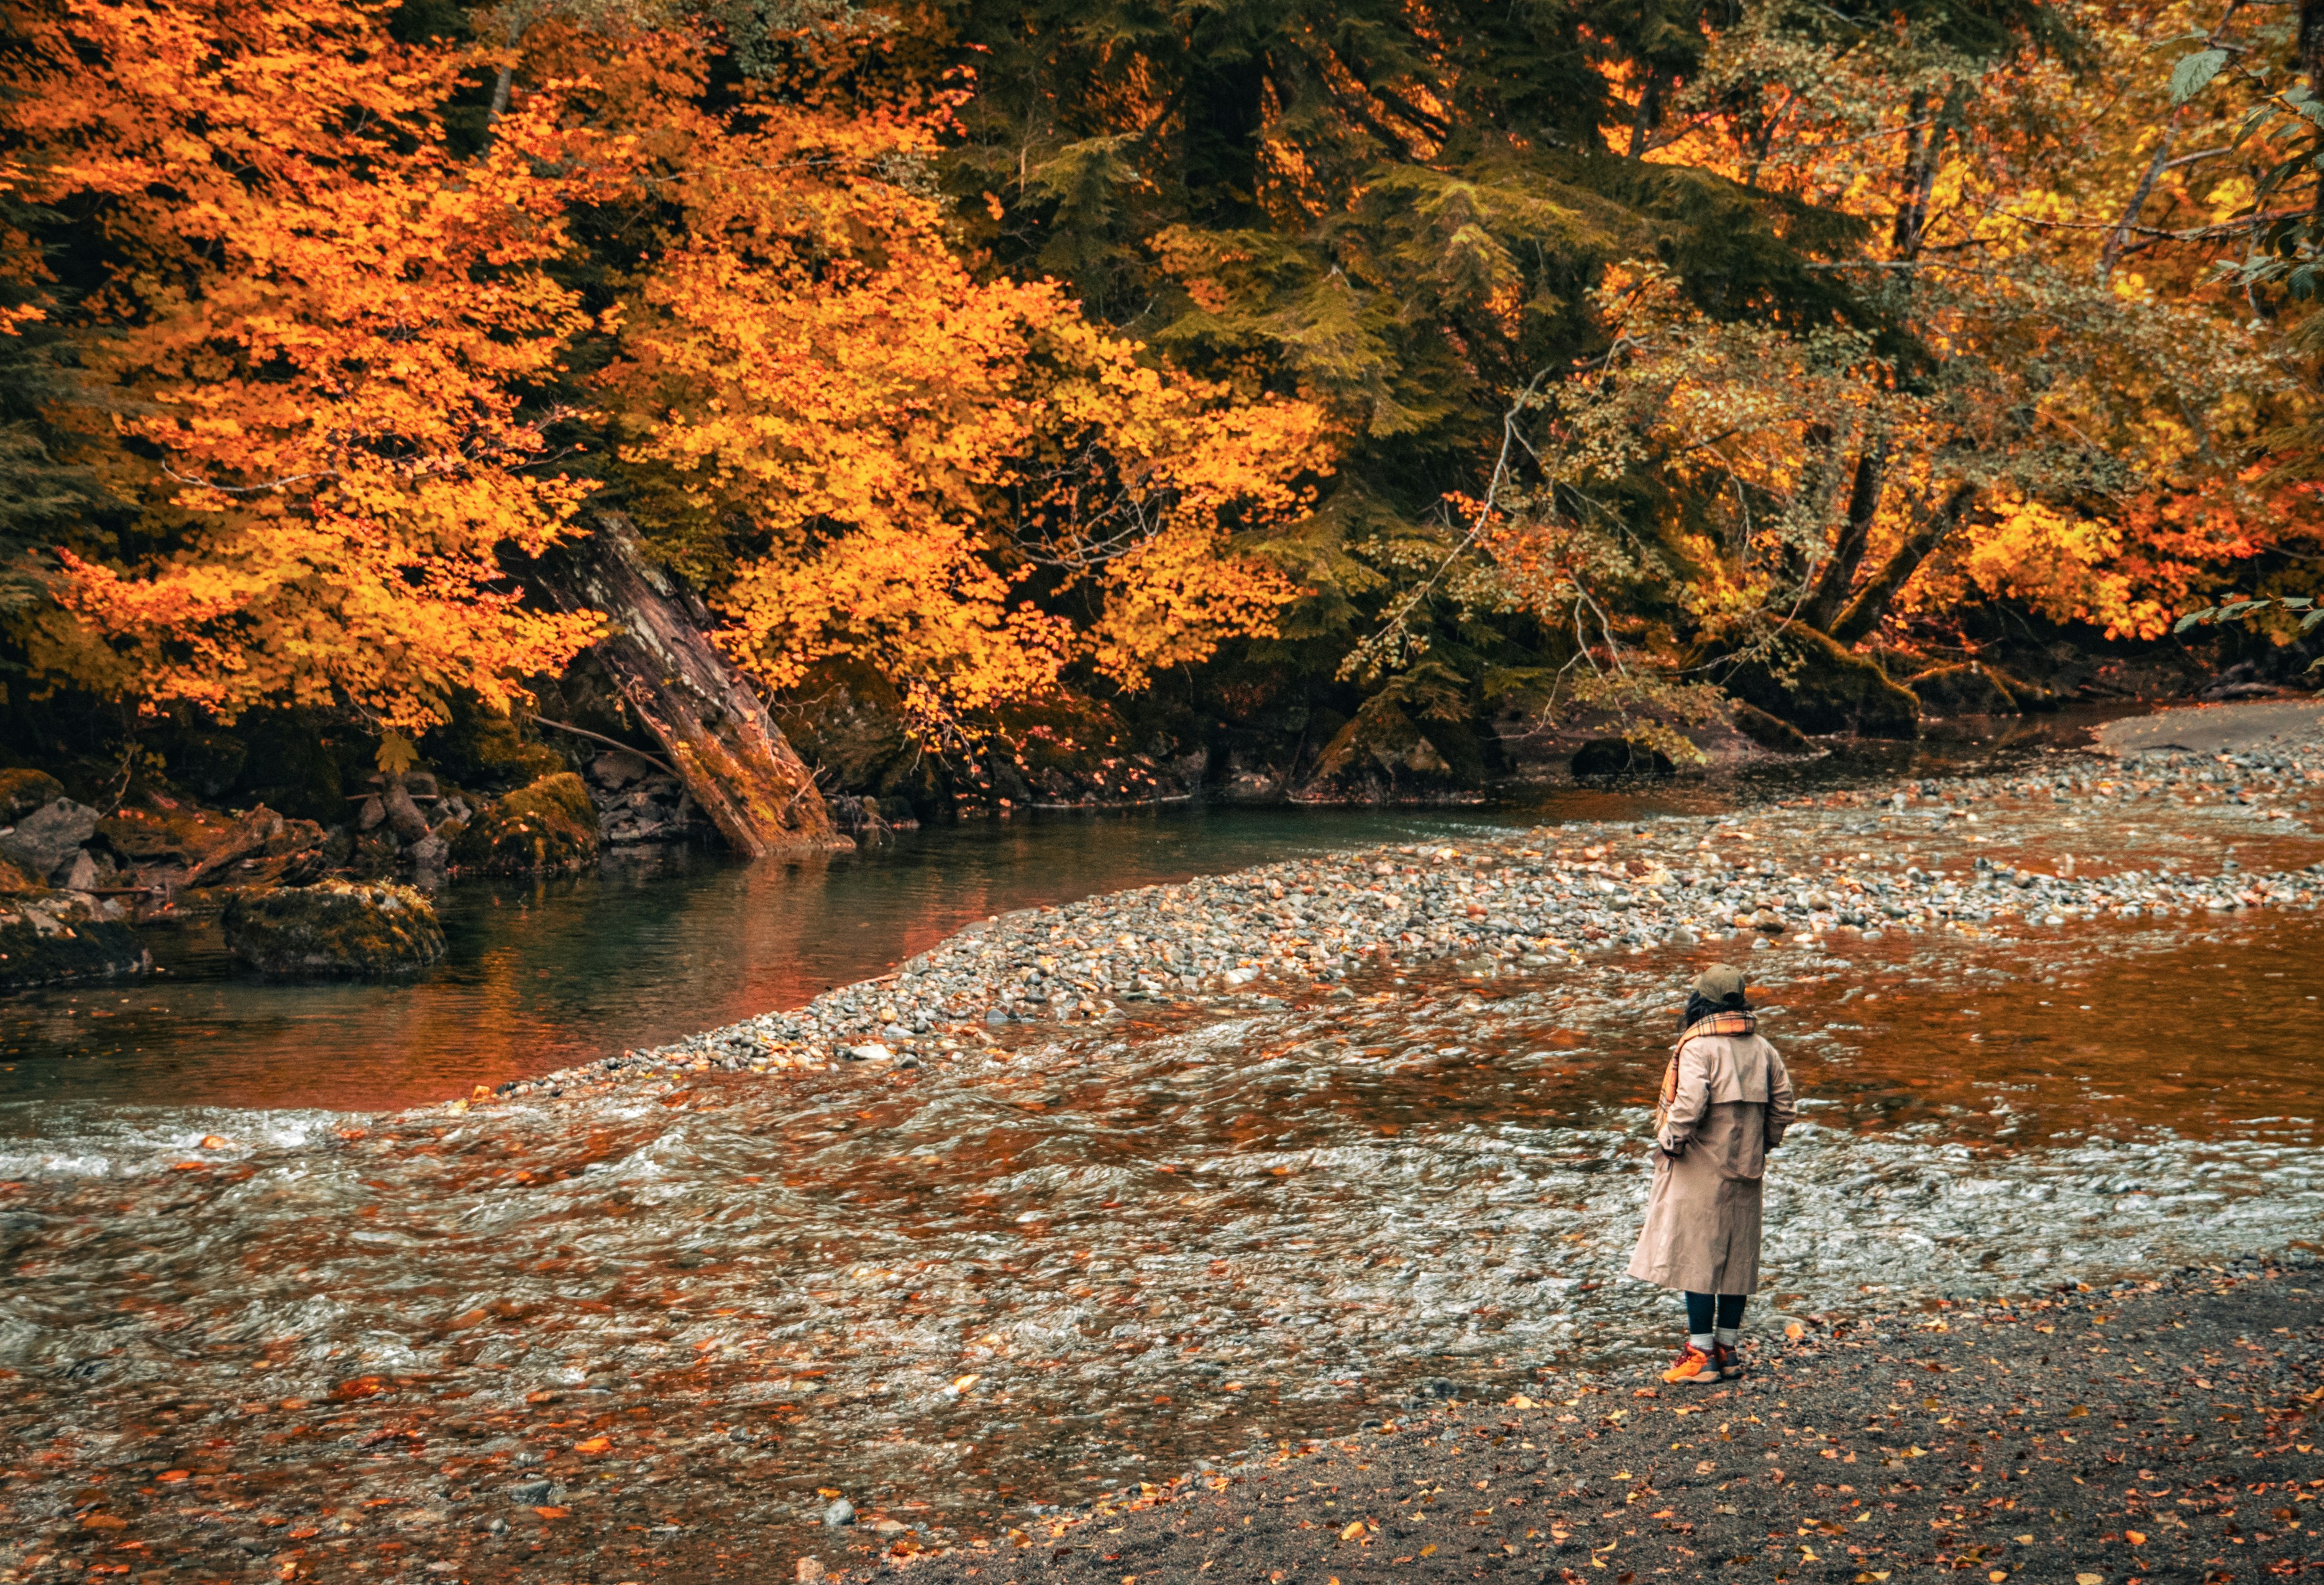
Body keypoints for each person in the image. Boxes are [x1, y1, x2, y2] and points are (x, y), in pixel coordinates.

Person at [1626, 963, 1796, 1385]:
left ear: (1699, 1001)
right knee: (1737, 1259)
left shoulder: (1697, 1047)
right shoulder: (1764, 1049)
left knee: (1697, 1259)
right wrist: (1763, 1144)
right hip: (1746, 1168)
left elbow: (1688, 1105)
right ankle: (1728, 1351)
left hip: (1699, 1165)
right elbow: (1785, 1106)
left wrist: (1670, 1141)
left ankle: (1701, 1355)